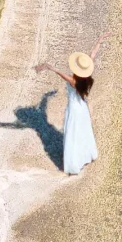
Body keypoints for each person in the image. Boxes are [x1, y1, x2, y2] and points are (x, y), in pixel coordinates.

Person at [35, 34, 108, 175]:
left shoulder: (73, 81)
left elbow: (59, 73)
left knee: (73, 134)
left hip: (75, 110)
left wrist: (48, 67)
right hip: (83, 109)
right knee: (82, 132)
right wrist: (99, 42)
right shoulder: (85, 80)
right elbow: (92, 57)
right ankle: (85, 156)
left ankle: (74, 164)